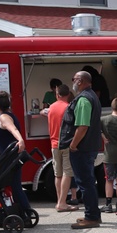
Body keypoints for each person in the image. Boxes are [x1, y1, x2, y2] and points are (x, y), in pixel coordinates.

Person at [63, 71, 103, 228]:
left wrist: (73, 145)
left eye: (74, 79)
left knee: (85, 183)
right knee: (88, 182)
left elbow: (83, 126)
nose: (72, 81)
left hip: (82, 148)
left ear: (80, 81)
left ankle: (91, 217)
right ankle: (92, 213)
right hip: (90, 147)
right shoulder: (92, 96)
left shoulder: (83, 99)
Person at [0, 90, 32, 212]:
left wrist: (20, 140)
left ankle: (26, 211)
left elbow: (12, 129)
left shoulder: (4, 117)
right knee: (14, 186)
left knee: (15, 186)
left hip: (9, 159)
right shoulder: (10, 115)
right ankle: (21, 210)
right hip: (8, 158)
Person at [46, 84, 76, 212]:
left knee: (57, 175)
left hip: (54, 144)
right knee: (67, 174)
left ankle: (59, 201)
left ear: (57, 95)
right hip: (66, 143)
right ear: (68, 94)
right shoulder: (68, 108)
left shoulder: (50, 108)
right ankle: (62, 203)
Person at [101, 97, 117, 214]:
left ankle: (108, 204)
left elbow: (96, 130)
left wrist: (103, 138)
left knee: (109, 179)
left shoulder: (104, 120)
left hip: (109, 154)